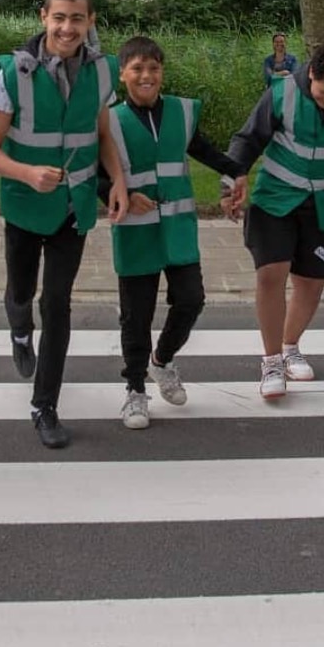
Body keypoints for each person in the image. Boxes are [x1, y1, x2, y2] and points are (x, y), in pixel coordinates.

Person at [0, 0, 127, 448]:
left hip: (73, 207)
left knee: (57, 303)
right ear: (43, 17)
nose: (67, 27)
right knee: (22, 292)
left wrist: (118, 181)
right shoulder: (13, 74)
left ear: (91, 21)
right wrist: (26, 173)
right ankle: (19, 330)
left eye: (77, 18)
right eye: (59, 17)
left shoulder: (102, 72)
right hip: (25, 205)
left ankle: (45, 406)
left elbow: (102, 136)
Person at [223, 40, 324, 399]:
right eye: (323, 93)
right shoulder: (282, 93)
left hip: (323, 203)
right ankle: (271, 361)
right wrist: (229, 182)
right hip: (275, 199)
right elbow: (247, 140)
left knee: (310, 283)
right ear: (312, 73)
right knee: (271, 273)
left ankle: (290, 346)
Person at [102, 36, 241, 430]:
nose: (146, 76)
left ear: (162, 72)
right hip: (135, 230)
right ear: (123, 74)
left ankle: (161, 360)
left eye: (154, 68)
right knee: (136, 315)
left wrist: (236, 170)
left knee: (191, 299)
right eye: (137, 69)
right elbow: (95, 173)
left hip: (178, 228)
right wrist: (121, 195)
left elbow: (202, 149)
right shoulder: (109, 120)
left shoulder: (181, 111)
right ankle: (134, 390)